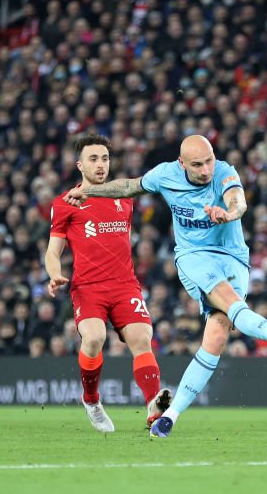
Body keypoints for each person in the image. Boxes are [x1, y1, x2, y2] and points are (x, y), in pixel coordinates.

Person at [62, 135, 267, 438]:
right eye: (197, 165)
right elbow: (129, 186)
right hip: (194, 257)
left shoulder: (225, 172)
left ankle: (168, 417)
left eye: (209, 161)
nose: (206, 170)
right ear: (182, 163)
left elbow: (239, 201)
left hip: (234, 258)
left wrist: (229, 213)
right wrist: (90, 191)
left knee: (218, 332)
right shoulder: (165, 175)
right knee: (229, 301)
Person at [46, 133, 171, 433]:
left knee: (142, 338)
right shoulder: (66, 203)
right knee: (93, 338)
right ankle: (91, 400)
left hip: (124, 285)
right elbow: (53, 251)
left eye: (104, 158)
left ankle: (153, 406)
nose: (101, 165)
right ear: (80, 165)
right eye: (93, 159)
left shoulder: (123, 198)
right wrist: (54, 274)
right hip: (88, 287)